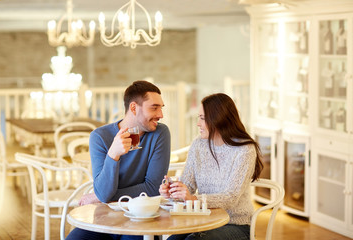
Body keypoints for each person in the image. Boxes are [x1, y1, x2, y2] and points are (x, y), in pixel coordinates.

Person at [66, 80, 171, 240]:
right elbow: (103, 192)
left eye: (161, 108)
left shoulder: (159, 133)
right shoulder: (100, 137)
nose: (160, 115)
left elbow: (152, 187)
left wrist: (101, 197)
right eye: (154, 108)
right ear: (134, 108)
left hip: (141, 219)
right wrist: (113, 155)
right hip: (104, 218)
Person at [159, 93, 263, 240]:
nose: (198, 123)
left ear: (218, 118)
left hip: (235, 225)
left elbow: (230, 198)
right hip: (203, 220)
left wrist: (193, 199)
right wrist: (175, 191)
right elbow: (188, 185)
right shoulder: (198, 144)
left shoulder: (244, 149)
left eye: (202, 118)